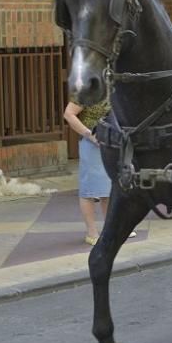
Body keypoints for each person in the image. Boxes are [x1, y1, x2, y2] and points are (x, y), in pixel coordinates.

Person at [63, 99, 113, 245]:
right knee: (89, 189)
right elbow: (69, 114)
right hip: (92, 143)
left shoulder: (114, 84)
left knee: (110, 187)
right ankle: (92, 232)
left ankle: (111, 229)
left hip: (112, 141)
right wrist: (90, 135)